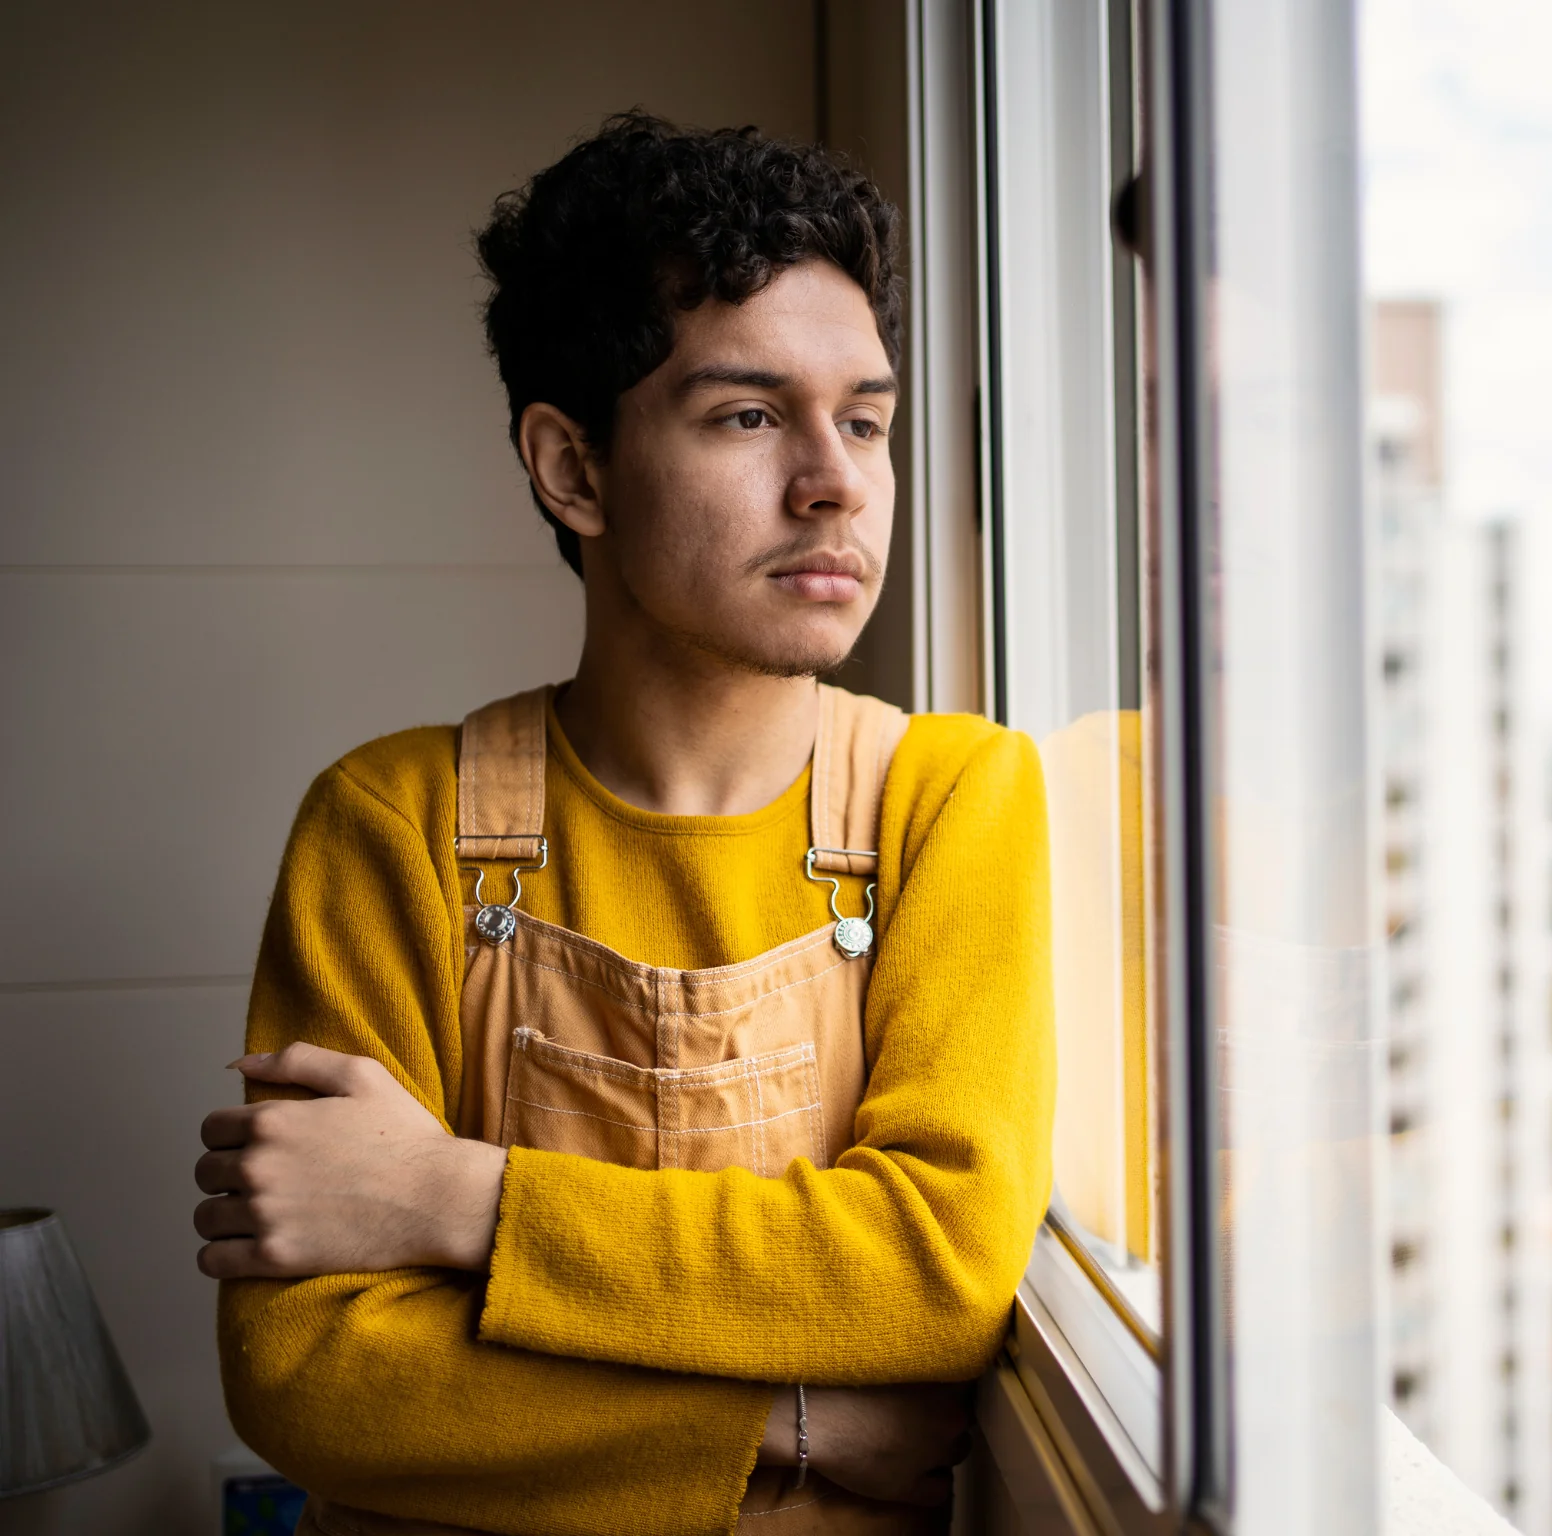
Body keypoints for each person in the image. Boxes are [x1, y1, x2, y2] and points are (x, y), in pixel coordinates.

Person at [191, 111, 1054, 1536]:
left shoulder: (950, 798)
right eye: (748, 415)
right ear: (574, 469)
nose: (836, 479)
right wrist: (778, 1422)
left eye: (866, 419)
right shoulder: (391, 822)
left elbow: (932, 1265)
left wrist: (453, 1201)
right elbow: (310, 1373)